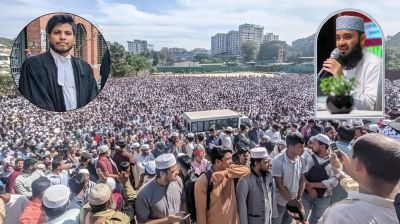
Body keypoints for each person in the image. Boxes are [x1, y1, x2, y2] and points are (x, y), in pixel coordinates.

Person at [18, 14, 99, 112]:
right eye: (57, 32)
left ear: (74, 39)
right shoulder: (33, 65)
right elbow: (36, 102)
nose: (62, 37)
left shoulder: (84, 67)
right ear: (49, 36)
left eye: (68, 33)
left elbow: (92, 98)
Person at [319, 134, 400, 224]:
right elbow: (354, 187)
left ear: (358, 164)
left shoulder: (342, 215)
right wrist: (339, 172)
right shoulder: (394, 208)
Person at [322, 15, 382, 110]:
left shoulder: (375, 63)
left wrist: (341, 80)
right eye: (338, 38)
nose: (341, 43)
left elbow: (370, 105)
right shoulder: (343, 60)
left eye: (347, 37)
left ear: (362, 40)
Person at [194, 146, 250, 224]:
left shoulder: (230, 170)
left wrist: (225, 173)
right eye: (228, 159)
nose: (231, 161)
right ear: (217, 161)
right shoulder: (203, 181)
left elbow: (247, 170)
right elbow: (201, 215)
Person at [135, 153, 186, 223]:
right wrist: (167, 220)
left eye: (177, 168)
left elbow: (183, 202)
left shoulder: (178, 180)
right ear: (162, 174)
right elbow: (143, 222)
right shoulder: (144, 194)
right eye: (173, 171)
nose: (177, 172)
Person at [271, 132, 307, 224]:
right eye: (300, 146)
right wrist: (293, 202)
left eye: (303, 146)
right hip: (280, 203)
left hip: (294, 201)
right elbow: (279, 185)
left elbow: (302, 180)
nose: (303, 149)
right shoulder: (278, 161)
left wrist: (299, 197)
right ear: (290, 147)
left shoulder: (301, 159)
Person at [302, 134, 338, 224]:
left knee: (317, 220)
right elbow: (300, 173)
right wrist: (309, 189)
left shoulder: (334, 159)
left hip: (324, 196)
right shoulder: (306, 155)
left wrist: (312, 185)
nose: (311, 145)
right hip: (305, 195)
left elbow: (334, 181)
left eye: (314, 143)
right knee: (302, 218)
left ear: (322, 147)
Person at [236, 147, 273, 224]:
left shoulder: (268, 176)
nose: (269, 164)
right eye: (266, 162)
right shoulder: (244, 181)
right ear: (256, 164)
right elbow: (241, 209)